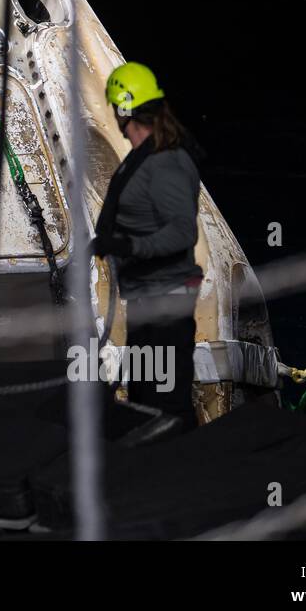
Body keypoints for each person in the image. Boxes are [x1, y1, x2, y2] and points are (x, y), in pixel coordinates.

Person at [91, 61, 205, 433]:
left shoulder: (167, 162)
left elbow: (181, 233)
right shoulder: (148, 156)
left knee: (166, 402)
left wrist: (128, 245)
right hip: (147, 299)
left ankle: (180, 474)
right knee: (143, 395)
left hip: (166, 303)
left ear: (124, 109)